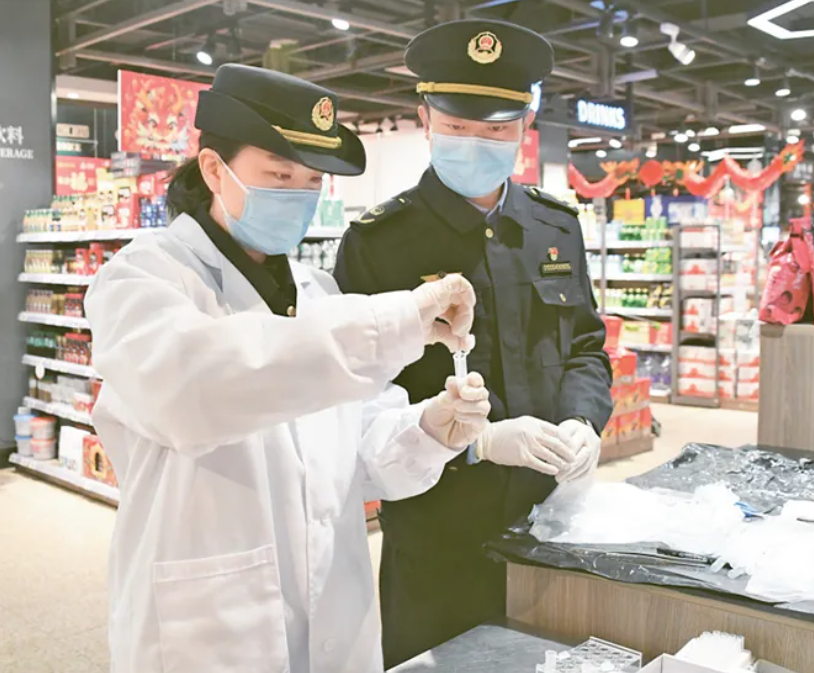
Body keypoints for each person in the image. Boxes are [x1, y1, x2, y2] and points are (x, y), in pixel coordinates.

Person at [83, 64, 491, 673]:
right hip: (211, 624)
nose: (298, 196)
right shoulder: (141, 280)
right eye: (279, 176)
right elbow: (199, 390)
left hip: (334, 610)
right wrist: (395, 321)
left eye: (311, 181)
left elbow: (358, 450)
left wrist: (429, 429)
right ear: (214, 169)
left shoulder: (318, 291)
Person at [334, 20, 614, 667]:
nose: (476, 143)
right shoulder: (378, 243)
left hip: (549, 521)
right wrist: (471, 442)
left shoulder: (555, 228)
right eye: (458, 126)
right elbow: (357, 402)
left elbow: (585, 346)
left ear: (525, 126)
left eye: (495, 130)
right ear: (425, 119)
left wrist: (583, 421)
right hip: (438, 533)